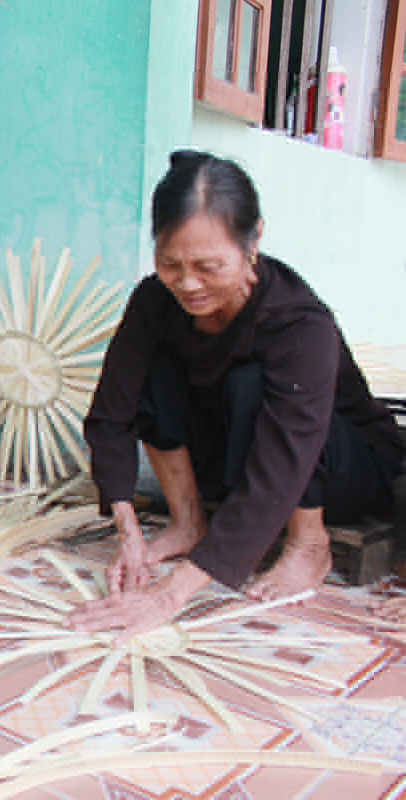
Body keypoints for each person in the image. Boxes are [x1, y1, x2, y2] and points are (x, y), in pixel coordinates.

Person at [68, 151, 404, 642]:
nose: (188, 283)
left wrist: (169, 596)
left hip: (342, 466)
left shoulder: (299, 324)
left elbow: (281, 468)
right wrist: (127, 529)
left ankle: (309, 543)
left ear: (254, 240)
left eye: (208, 266)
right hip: (236, 455)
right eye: (170, 263)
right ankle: (188, 522)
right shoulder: (156, 301)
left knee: (252, 382)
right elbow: (111, 412)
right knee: (156, 367)